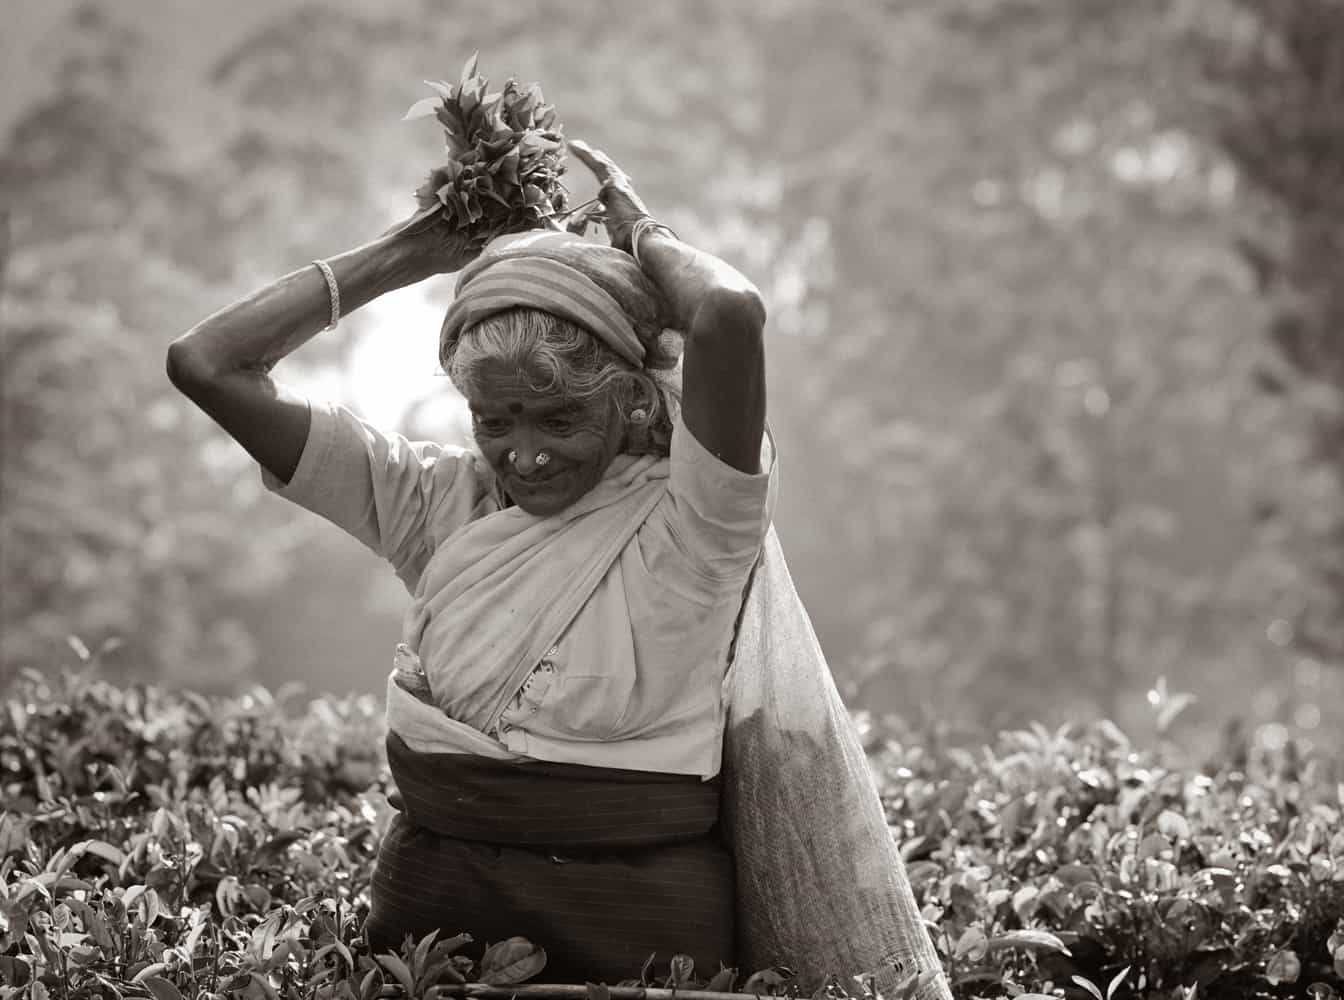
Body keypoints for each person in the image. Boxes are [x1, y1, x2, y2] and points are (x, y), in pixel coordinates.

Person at [167, 141, 950, 995]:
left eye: (559, 418)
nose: (524, 456)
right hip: (433, 949)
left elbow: (728, 315)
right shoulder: (439, 504)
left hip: (640, 958)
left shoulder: (693, 524)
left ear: (632, 399)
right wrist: (412, 252)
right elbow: (207, 365)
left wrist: (639, 231)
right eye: (495, 421)